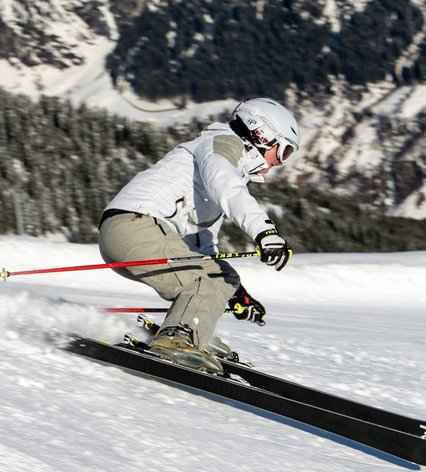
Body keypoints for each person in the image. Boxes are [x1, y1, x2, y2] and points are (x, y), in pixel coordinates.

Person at [98, 97, 299, 374]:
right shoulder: (222, 146)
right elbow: (227, 187)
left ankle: (193, 328)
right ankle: (178, 337)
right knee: (206, 279)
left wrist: (234, 292)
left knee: (219, 275)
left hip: (130, 231)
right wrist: (265, 232)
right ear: (262, 134)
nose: (280, 162)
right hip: (134, 227)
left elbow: (202, 246)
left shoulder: (225, 167)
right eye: (284, 151)